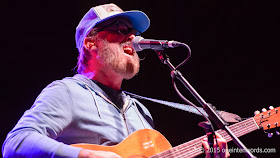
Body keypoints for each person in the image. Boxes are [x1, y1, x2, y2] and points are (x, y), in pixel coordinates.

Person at [2, 3, 229, 158]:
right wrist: (86, 155)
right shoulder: (67, 92)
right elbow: (16, 142)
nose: (132, 36)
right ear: (91, 44)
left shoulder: (140, 111)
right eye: (120, 29)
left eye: (132, 31)